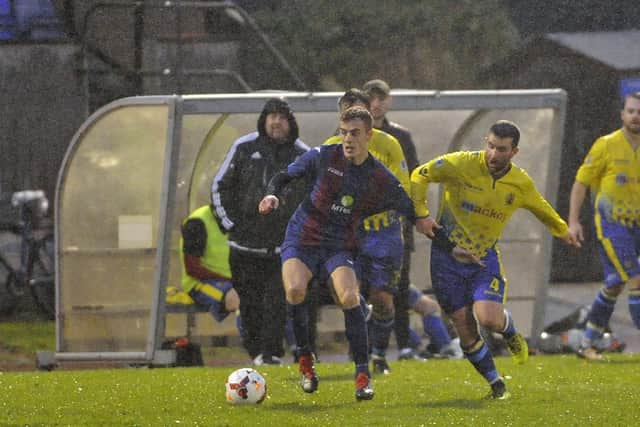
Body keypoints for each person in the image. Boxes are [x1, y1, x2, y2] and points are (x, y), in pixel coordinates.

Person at [411, 120, 580, 399]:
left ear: (514, 152)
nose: (492, 154)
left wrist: (563, 230)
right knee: (464, 325)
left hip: (482, 259)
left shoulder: (520, 183)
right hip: (445, 259)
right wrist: (421, 214)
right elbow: (419, 175)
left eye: (501, 149)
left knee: (488, 318)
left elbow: (542, 208)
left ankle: (510, 330)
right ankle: (495, 383)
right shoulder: (460, 164)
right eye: (489, 145)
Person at [258, 106, 417, 401]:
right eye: (343, 132)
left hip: (338, 243)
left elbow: (409, 206)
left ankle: (362, 375)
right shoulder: (323, 155)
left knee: (349, 297)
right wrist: (272, 194)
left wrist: (431, 227)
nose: (347, 139)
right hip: (302, 238)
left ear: (369, 136)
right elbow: (284, 176)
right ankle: (306, 364)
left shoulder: (378, 174)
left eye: (355, 133)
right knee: (294, 290)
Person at [211, 98, 309, 366]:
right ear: (264, 120)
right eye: (271, 116)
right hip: (244, 247)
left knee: (277, 303)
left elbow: (315, 197)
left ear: (290, 123)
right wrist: (231, 225)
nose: (276, 122)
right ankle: (257, 354)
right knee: (249, 303)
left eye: (281, 117)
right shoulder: (243, 147)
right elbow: (219, 186)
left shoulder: (302, 155)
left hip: (283, 249)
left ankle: (271, 354)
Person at [323, 88, 410, 375]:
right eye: (345, 113)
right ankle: (360, 334)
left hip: (384, 233)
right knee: (344, 294)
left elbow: (403, 186)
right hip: (348, 234)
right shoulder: (330, 148)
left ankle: (379, 355)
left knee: (383, 301)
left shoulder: (390, 144)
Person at [568, 92, 640, 361]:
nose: (635, 116)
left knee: (614, 284)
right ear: (622, 114)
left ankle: (587, 343)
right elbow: (581, 183)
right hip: (613, 226)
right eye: (631, 111)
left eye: (639, 112)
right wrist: (573, 222)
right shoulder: (606, 145)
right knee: (636, 279)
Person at [363, 78, 423, 361]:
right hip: (361, 230)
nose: (376, 103)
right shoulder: (349, 134)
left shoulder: (402, 137)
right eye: (371, 98)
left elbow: (414, 179)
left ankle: (405, 346)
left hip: (396, 228)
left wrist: (413, 217)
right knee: (364, 290)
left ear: (390, 101)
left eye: (381, 98)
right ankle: (364, 348)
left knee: (399, 288)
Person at [179, 204, 240, 324]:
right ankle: (255, 341)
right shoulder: (197, 222)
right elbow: (192, 268)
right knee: (238, 299)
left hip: (232, 279)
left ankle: (284, 340)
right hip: (200, 282)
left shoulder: (241, 218)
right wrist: (229, 279)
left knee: (274, 296)